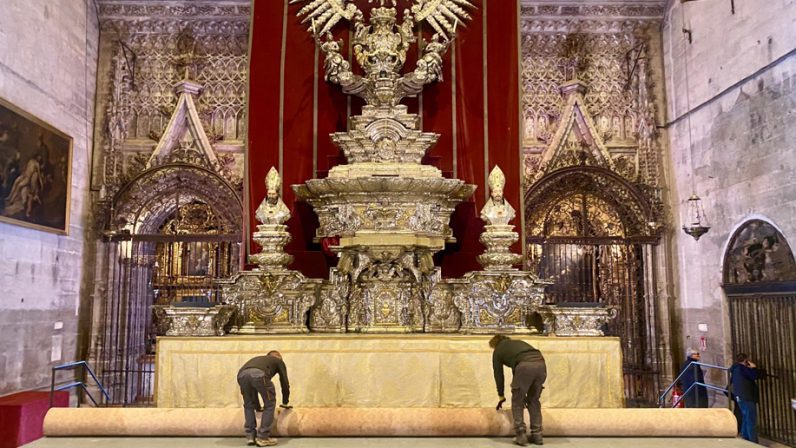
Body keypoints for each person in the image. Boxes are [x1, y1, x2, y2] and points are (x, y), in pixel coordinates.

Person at [490, 334, 547, 446]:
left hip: (525, 366)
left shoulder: (498, 350)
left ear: (494, 344)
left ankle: (521, 435)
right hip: (541, 364)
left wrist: (501, 395)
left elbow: (498, 374)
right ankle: (538, 435)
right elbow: (516, 365)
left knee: (517, 401)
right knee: (534, 401)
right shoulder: (518, 343)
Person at [237, 351, 291, 447]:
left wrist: (257, 407)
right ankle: (263, 437)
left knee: (248, 405)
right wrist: (285, 401)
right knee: (270, 404)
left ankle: (250, 436)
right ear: (279, 357)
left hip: (242, 375)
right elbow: (284, 382)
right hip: (259, 375)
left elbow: (254, 386)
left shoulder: (259, 359)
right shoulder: (278, 361)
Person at [730, 353, 759, 443]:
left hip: (739, 396)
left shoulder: (734, 369)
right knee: (751, 419)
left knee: (746, 417)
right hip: (747, 396)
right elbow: (754, 376)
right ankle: (753, 441)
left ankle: (745, 437)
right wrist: (753, 367)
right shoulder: (743, 369)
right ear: (746, 360)